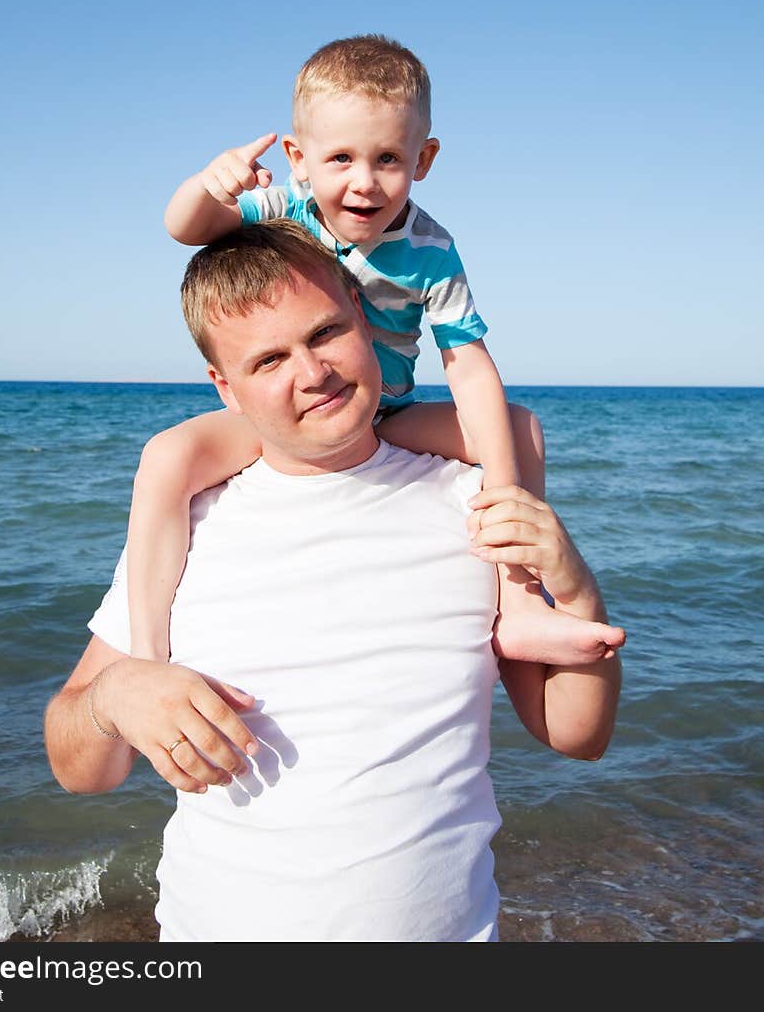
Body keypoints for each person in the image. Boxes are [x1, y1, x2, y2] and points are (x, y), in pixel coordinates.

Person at [44, 220, 623, 943]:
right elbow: (81, 768)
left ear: (365, 316)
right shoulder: (188, 525)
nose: (312, 372)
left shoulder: (467, 500)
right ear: (225, 387)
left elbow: (578, 734)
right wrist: (115, 693)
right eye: (268, 361)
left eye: (325, 333)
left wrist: (575, 591)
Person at [127, 33, 623, 665]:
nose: (363, 183)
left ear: (425, 159)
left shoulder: (431, 249)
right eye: (340, 159)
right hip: (294, 418)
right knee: (166, 458)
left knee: (521, 432)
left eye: (388, 157)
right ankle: (146, 650)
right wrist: (209, 184)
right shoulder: (284, 208)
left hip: (390, 413)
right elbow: (185, 228)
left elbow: (467, 365)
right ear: (298, 157)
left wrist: (502, 482)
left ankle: (520, 603)